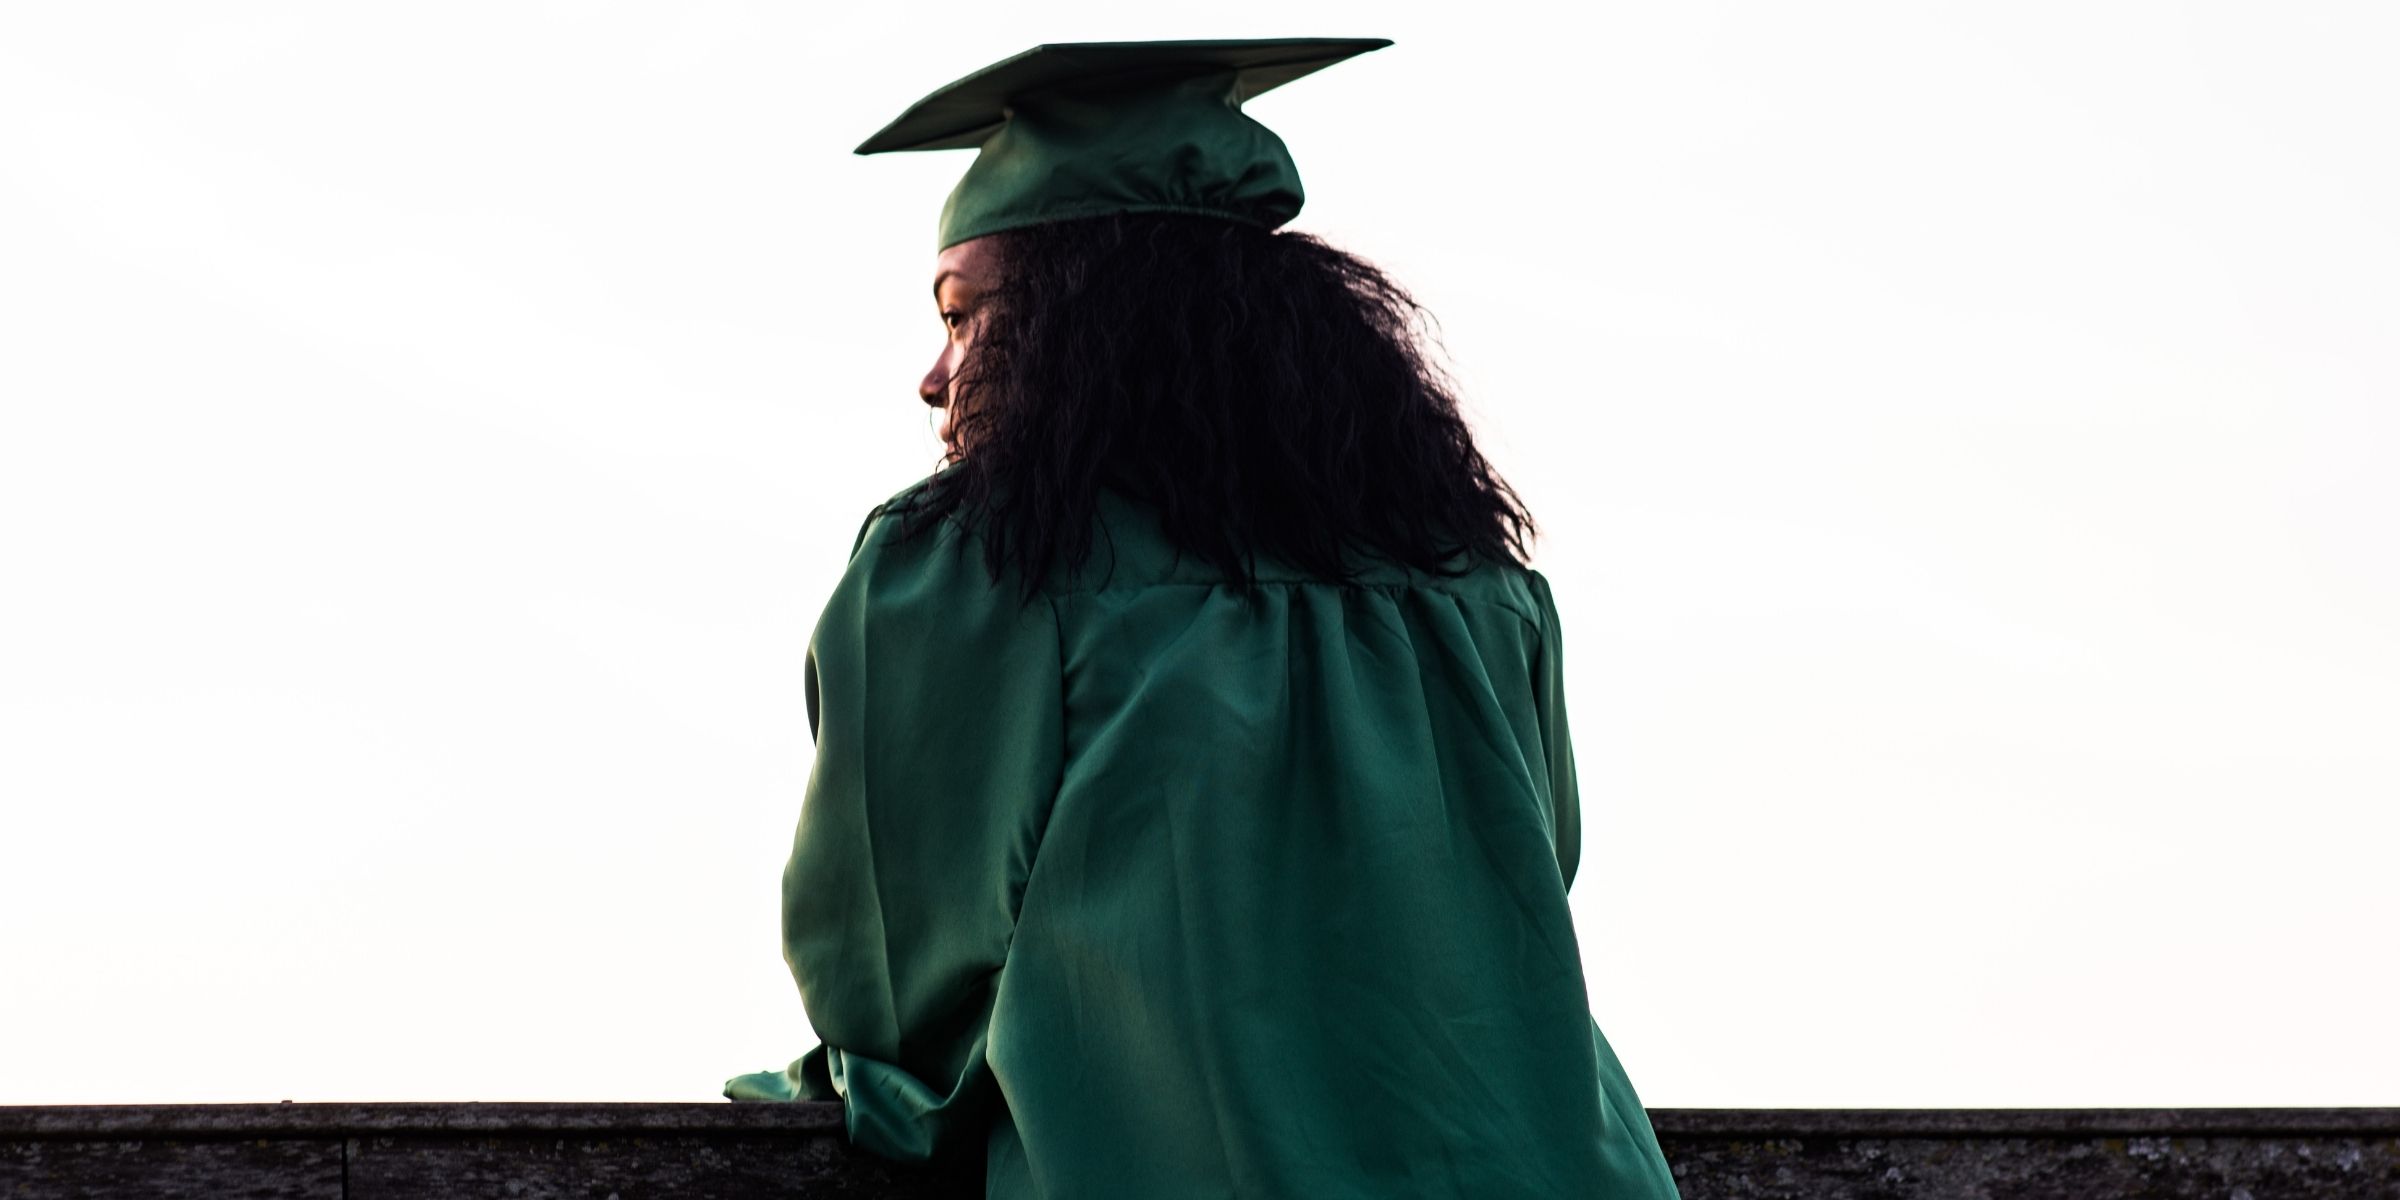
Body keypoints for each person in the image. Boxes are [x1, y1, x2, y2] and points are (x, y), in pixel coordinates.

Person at [727, 38, 1681, 1200]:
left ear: (1082, 332)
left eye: (966, 316)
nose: (934, 375)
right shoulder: (1476, 583)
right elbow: (1521, 897)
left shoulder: (978, 569)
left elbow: (897, 994)